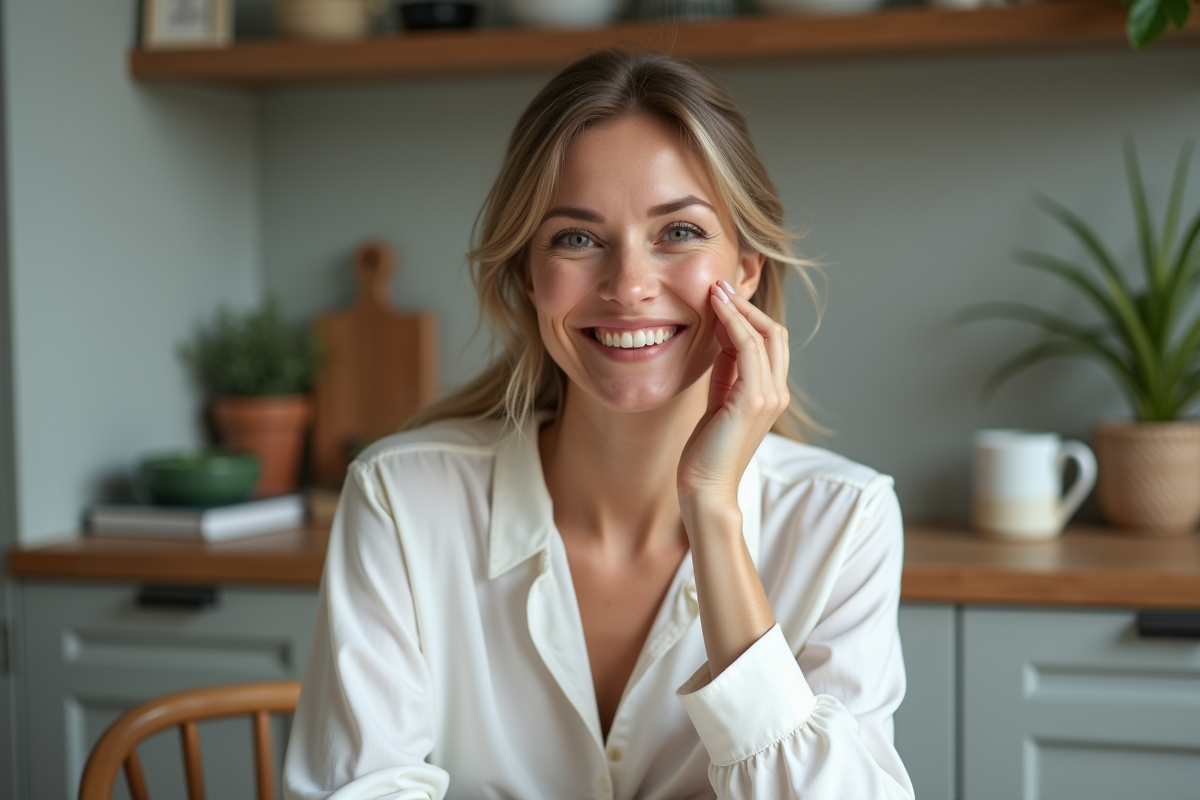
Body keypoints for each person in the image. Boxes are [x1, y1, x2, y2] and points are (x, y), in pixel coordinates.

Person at [283, 49, 913, 800]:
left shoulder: (846, 522)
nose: (629, 286)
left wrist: (712, 512)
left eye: (678, 232)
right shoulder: (399, 498)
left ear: (745, 269)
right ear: (528, 275)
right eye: (576, 238)